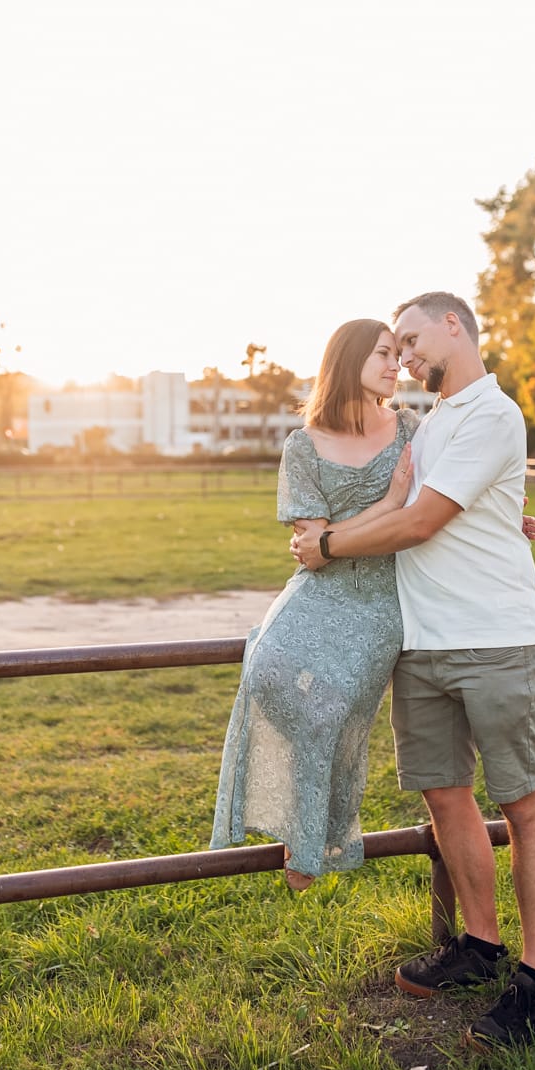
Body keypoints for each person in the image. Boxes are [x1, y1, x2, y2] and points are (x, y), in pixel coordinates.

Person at [292, 291, 535, 1052]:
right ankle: (479, 946)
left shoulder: (491, 414)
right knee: (445, 796)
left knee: (524, 805)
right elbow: (398, 502)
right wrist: (328, 534)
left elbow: (419, 521)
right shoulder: (428, 422)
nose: (404, 355)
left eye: (411, 339)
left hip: (494, 641)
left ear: (454, 325)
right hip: (421, 643)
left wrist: (326, 547)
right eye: (395, 345)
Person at [210, 319, 417, 890]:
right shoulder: (303, 446)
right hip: (312, 600)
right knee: (268, 671)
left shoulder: (410, 429)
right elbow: (314, 553)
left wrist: (503, 521)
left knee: (334, 716)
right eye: (383, 353)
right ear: (349, 360)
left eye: (398, 354)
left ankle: (310, 844)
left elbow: (441, 500)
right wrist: (389, 505)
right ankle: (302, 837)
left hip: (379, 605)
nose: (396, 364)